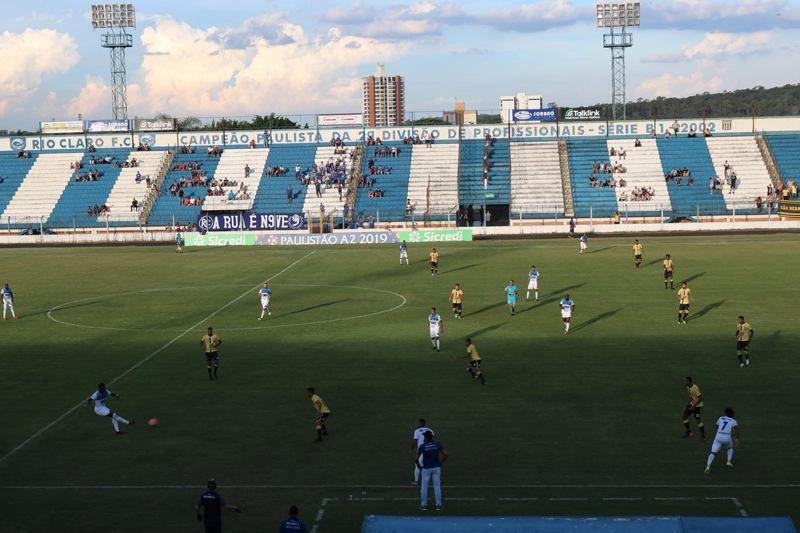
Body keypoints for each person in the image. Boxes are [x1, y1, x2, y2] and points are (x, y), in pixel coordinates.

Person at [415, 430, 448, 511]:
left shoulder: (422, 446)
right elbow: (446, 454)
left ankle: (423, 505)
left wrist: (419, 466)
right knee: (437, 487)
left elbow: (416, 459)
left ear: (426, 437)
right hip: (436, 467)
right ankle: (439, 505)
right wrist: (442, 462)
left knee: (424, 487)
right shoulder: (437, 444)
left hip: (426, 468)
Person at [704, 408, 739, 474]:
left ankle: (708, 467)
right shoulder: (733, 421)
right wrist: (736, 438)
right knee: (730, 448)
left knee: (713, 453)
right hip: (727, 437)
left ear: (726, 413)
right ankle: (728, 461)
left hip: (718, 437)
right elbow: (736, 429)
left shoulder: (720, 418)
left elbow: (716, 426)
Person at [410, 419, 435, 486]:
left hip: (421, 451)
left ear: (420, 423)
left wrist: (411, 449)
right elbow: (433, 440)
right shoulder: (430, 430)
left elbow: (415, 441)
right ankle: (436, 479)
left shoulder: (417, 431)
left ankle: (416, 480)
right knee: (432, 464)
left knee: (417, 465)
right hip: (429, 450)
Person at [682, 376, 705, 441]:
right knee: (684, 416)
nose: (684, 382)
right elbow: (691, 396)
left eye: (685, 381)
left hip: (698, 406)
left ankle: (703, 436)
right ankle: (689, 432)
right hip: (692, 404)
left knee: (698, 421)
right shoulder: (688, 387)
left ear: (688, 382)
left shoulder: (695, 388)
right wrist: (688, 402)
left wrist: (693, 406)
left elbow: (701, 398)